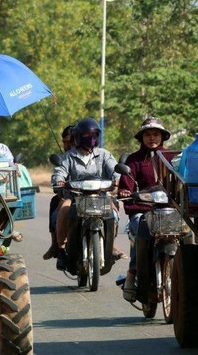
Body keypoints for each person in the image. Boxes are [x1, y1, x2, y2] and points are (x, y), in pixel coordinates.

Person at [51, 118, 121, 270]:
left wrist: (118, 179)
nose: (91, 138)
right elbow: (59, 172)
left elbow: (115, 170)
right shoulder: (68, 156)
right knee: (63, 209)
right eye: (87, 135)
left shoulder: (103, 154)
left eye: (95, 135)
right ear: (77, 137)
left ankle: (111, 244)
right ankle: (62, 248)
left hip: (101, 196)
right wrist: (59, 181)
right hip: (75, 197)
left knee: (113, 212)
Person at [117, 117, 171, 301]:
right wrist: (125, 191)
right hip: (142, 210)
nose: (152, 138)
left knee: (187, 233)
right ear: (141, 138)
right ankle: (132, 273)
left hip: (168, 211)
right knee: (140, 228)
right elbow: (126, 184)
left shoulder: (172, 157)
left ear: (162, 136)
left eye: (156, 134)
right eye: (147, 134)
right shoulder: (133, 160)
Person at [42, 124, 74, 260]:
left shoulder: (94, 154)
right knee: (55, 201)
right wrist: (59, 183)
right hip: (71, 196)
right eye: (64, 142)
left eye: (70, 142)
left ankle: (110, 245)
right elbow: (58, 175)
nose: (67, 146)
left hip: (92, 196)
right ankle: (55, 244)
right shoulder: (64, 159)